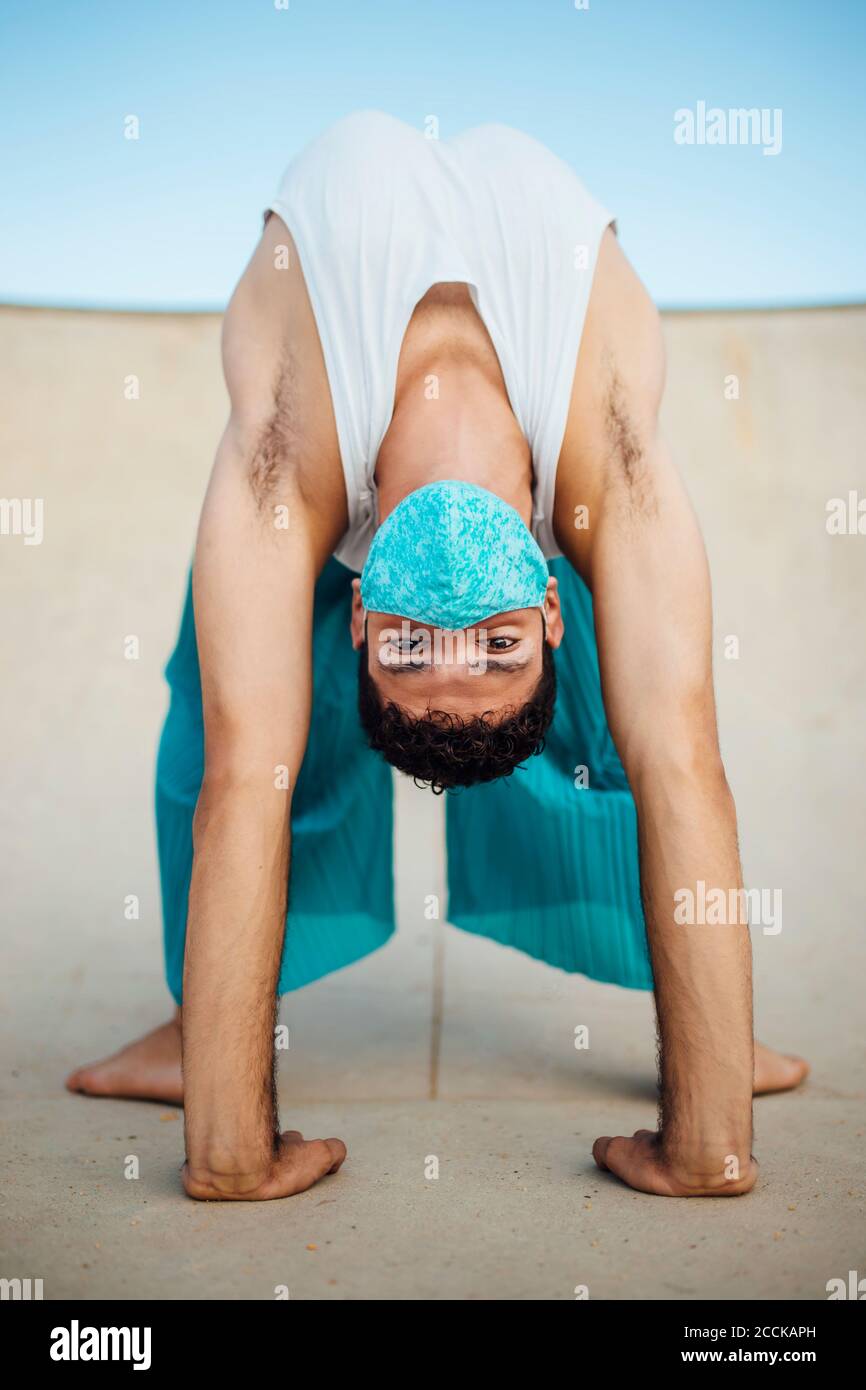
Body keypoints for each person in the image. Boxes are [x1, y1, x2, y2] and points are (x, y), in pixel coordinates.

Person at [67, 112, 808, 1200]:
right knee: (250, 728)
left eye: (416, 645)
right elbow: (684, 765)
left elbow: (241, 785)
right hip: (524, 344)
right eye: (492, 642)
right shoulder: (603, 453)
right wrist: (706, 1143)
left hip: (342, 380)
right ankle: (209, 1033)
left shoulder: (291, 448)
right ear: (546, 610)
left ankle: (704, 1033)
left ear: (363, 617)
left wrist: (233, 1157)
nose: (454, 618)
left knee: (231, 733)